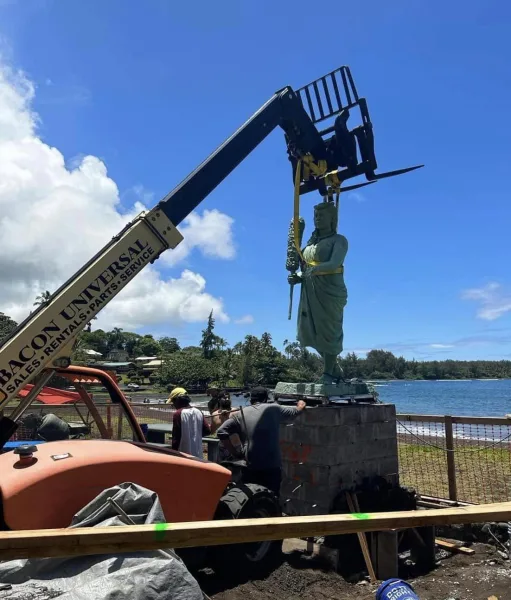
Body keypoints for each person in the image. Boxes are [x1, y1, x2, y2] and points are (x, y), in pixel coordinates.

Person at [288, 201, 348, 384]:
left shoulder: (339, 240)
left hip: (330, 292)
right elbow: (304, 266)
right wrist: (297, 276)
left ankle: (328, 373)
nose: (317, 219)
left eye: (321, 216)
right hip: (310, 291)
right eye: (316, 216)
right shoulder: (310, 244)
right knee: (308, 331)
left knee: (328, 331)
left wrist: (310, 271)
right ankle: (334, 367)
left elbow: (334, 263)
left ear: (332, 218)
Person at [216, 386, 306, 495]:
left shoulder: (240, 413)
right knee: (272, 497)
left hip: (249, 465)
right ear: (266, 399)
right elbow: (296, 412)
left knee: (251, 498)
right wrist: (301, 403)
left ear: (250, 399)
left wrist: (235, 453)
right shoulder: (274, 408)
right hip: (271, 465)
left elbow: (221, 432)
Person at [168, 387, 210, 458]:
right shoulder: (198, 412)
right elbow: (207, 431)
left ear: (178, 400)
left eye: (173, 402)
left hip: (183, 455)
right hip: (198, 455)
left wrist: (173, 454)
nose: (173, 405)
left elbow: (176, 438)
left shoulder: (178, 414)